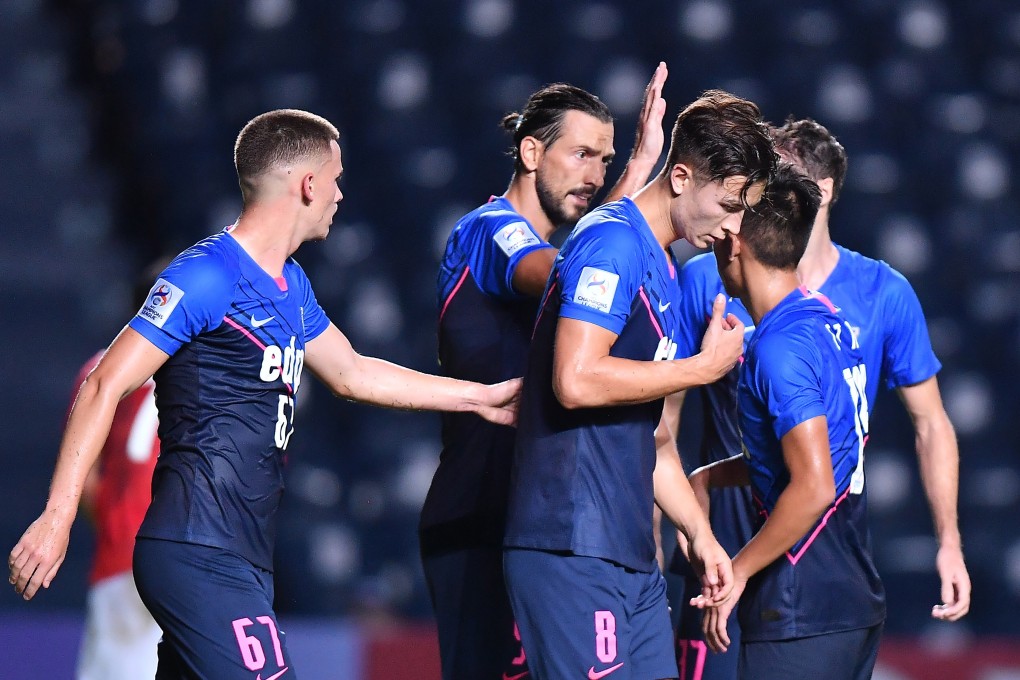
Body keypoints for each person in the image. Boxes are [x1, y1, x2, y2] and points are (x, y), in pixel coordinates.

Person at [9, 109, 520, 679]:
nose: (340, 194)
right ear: (307, 185)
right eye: (335, 178)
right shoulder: (207, 273)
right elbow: (106, 382)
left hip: (243, 555)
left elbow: (352, 372)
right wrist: (56, 516)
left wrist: (480, 397)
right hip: (197, 548)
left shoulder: (291, 285)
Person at [667, 118, 971, 679]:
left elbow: (823, 479)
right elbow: (664, 421)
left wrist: (949, 540)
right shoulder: (810, 318)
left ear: (819, 191)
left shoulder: (832, 315)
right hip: (731, 546)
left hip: (798, 568)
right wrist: (690, 495)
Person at [502, 90, 776, 680]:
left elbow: (648, 434)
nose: (733, 229)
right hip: (570, 544)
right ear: (680, 176)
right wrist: (702, 369)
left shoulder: (665, 270)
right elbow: (574, 379)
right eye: (728, 204)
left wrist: (700, 534)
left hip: (628, 554)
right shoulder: (613, 242)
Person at [420, 64, 668, 680]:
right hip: (479, 515)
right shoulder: (489, 230)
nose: (594, 174)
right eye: (581, 153)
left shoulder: (579, 247)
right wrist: (640, 186)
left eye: (606, 160)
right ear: (532, 151)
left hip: (537, 521)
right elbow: (561, 273)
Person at [693, 162, 886, 679]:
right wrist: (714, 474)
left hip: (802, 606)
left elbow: (816, 484)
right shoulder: (826, 319)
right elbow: (823, 446)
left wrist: (736, 573)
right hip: (850, 597)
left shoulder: (780, 348)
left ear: (733, 241)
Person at [73, 265, 166, 680]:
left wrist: (112, 520)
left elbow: (84, 475)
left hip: (122, 550)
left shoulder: (99, 369)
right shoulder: (202, 369)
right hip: (186, 548)